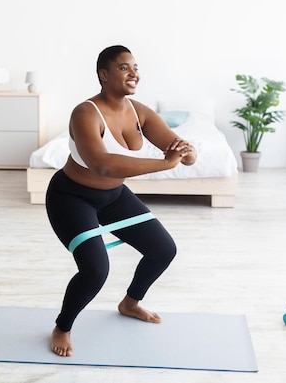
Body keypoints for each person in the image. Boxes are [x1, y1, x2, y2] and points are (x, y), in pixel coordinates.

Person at [45, 45, 197, 357]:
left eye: (136, 67)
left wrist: (186, 152)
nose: (134, 73)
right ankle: (62, 327)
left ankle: (130, 303)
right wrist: (167, 163)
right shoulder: (85, 113)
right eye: (124, 68)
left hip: (114, 196)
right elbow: (102, 164)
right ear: (104, 75)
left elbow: (181, 150)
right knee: (96, 271)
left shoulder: (139, 111)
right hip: (71, 197)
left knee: (163, 250)